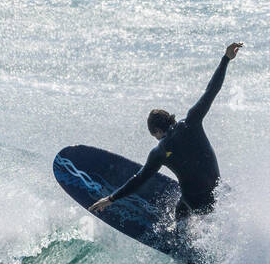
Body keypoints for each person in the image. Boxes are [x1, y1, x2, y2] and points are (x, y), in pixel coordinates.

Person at [89, 43, 243, 223]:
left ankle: (181, 232)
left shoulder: (160, 152)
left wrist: (110, 199)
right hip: (217, 197)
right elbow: (211, 90)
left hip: (196, 204)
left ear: (156, 131)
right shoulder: (192, 122)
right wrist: (225, 59)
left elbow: (139, 179)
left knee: (181, 210)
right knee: (213, 192)